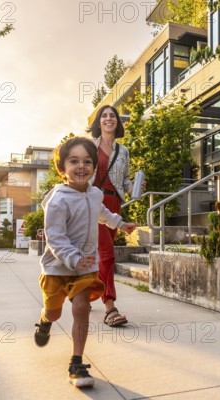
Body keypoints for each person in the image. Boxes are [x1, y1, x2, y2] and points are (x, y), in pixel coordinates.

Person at [33, 136, 136, 388]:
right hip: (57, 267)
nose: (82, 167)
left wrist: (120, 225)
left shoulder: (95, 194)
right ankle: (45, 321)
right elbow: (55, 239)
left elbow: (103, 214)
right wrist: (73, 259)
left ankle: (76, 361)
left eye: (87, 161)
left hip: (85, 267)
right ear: (62, 168)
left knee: (81, 307)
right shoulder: (58, 199)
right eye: (74, 161)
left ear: (94, 167)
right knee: (55, 311)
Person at [88, 105, 144, 327]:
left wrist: (136, 186)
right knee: (107, 253)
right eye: (104, 116)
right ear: (98, 122)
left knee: (100, 253)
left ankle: (88, 291)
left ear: (117, 123)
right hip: (93, 202)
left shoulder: (124, 151)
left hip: (114, 203)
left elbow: (126, 182)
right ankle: (110, 306)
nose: (109, 119)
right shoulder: (89, 146)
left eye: (112, 116)